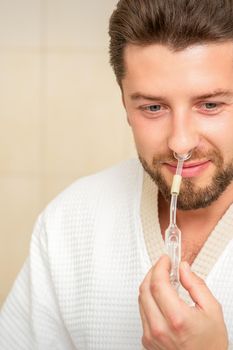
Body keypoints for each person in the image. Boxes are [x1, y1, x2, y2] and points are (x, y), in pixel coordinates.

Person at [1, 0, 233, 349]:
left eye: (210, 105)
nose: (181, 142)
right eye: (153, 107)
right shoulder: (69, 223)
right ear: (125, 105)